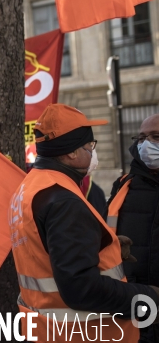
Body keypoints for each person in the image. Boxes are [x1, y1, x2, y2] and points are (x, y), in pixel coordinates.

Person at [9, 103, 159, 341]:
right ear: (71, 152)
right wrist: (146, 298)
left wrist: (102, 245)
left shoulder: (31, 187)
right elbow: (80, 288)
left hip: (47, 330)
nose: (92, 152)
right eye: (90, 145)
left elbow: (45, 251)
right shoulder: (63, 199)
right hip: (84, 334)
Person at [108, 113, 159, 342]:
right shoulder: (123, 186)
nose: (146, 144)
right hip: (134, 305)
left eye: (155, 137)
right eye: (141, 138)